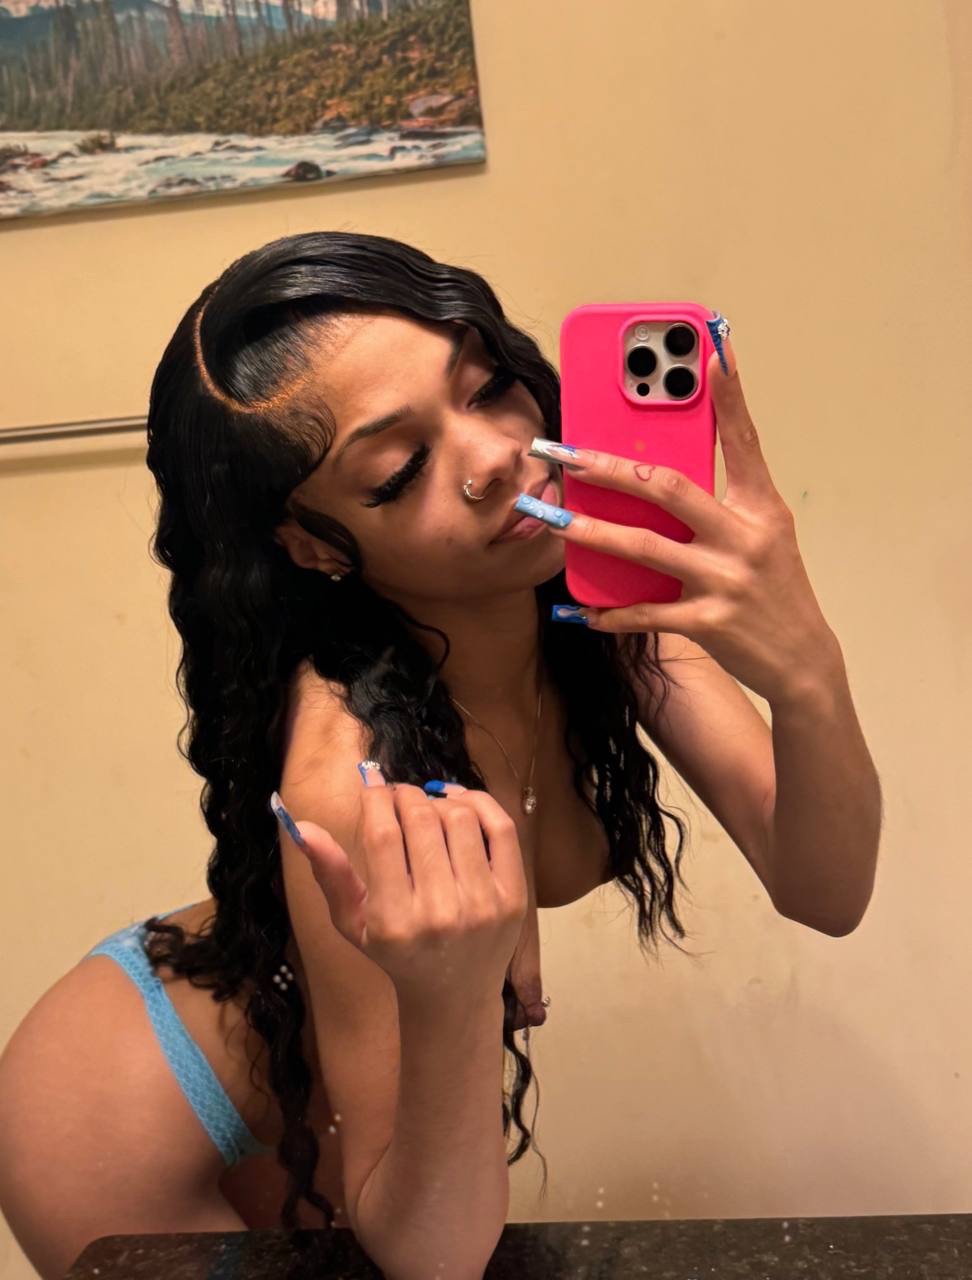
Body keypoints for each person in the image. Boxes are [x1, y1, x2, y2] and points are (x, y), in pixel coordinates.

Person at [0, 230, 693, 1280]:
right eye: (400, 469)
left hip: (306, 1092)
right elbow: (434, 1253)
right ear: (316, 545)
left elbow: (825, 880)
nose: (494, 454)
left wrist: (795, 644)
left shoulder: (579, 608)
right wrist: (452, 998)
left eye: (490, 386)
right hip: (126, 1095)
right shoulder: (349, 765)